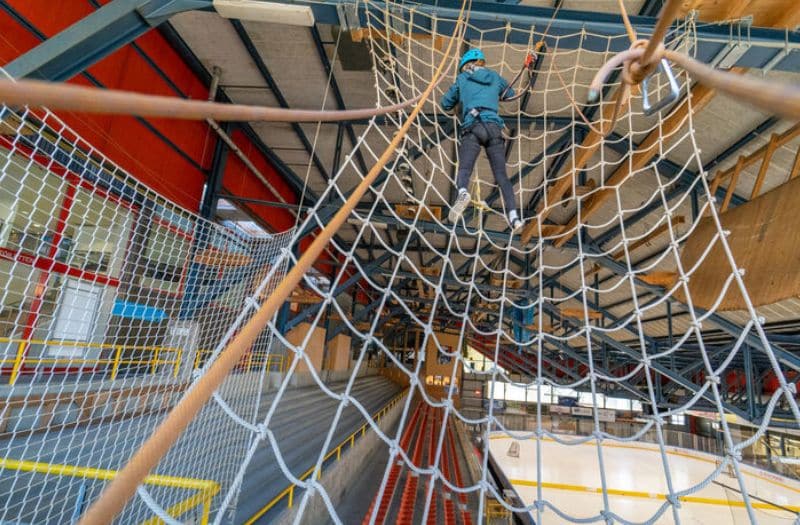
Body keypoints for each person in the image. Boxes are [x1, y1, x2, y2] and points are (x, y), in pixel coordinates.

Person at [440, 48, 522, 231]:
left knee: (465, 168)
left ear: (465, 65)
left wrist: (462, 96)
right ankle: (514, 217)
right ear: (481, 62)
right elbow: (511, 93)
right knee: (502, 176)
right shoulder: (494, 77)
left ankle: (462, 192)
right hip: (494, 129)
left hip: (473, 126)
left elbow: (445, 103)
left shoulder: (462, 78)